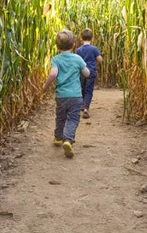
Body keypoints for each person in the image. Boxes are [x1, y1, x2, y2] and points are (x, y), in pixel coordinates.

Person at [42, 29, 90, 159]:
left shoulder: (56, 59)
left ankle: (58, 138)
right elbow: (87, 73)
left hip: (61, 96)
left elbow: (53, 74)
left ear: (57, 46)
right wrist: (84, 71)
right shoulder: (77, 58)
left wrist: (45, 86)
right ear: (74, 44)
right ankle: (68, 139)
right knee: (73, 119)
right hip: (76, 96)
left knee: (60, 116)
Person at [75, 29, 103, 118]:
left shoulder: (78, 50)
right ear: (92, 39)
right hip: (91, 72)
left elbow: (76, 61)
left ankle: (83, 105)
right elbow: (100, 59)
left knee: (82, 89)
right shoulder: (94, 49)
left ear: (81, 38)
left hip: (82, 72)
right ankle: (86, 108)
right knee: (89, 90)